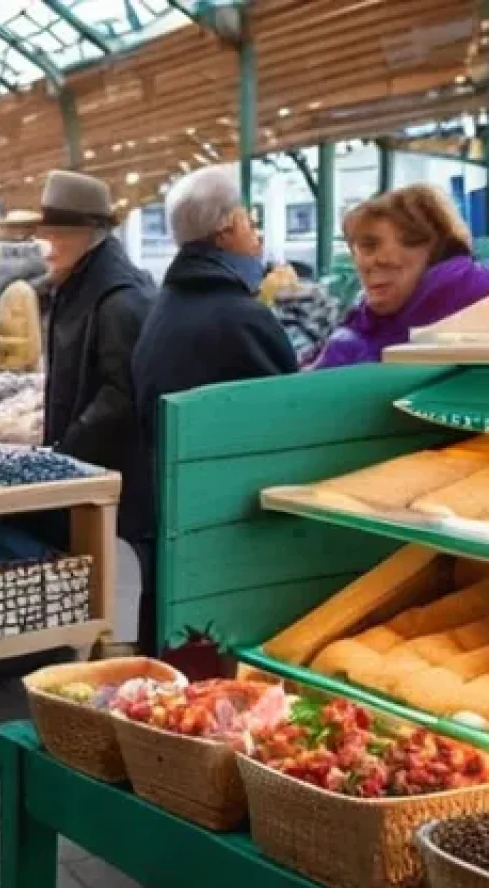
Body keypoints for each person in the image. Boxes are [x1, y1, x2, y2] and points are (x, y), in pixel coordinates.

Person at [132, 165, 297, 650]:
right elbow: (285, 425)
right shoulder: (241, 318)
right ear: (227, 229)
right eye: (249, 220)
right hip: (233, 536)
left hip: (173, 520)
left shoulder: (164, 308)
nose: (257, 234)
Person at [37, 169, 157, 544]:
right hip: (87, 472)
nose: (50, 247)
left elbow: (120, 394)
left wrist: (68, 449)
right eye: (48, 235)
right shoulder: (80, 283)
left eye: (60, 235)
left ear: (90, 234)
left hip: (110, 481)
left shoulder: (119, 298)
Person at [308, 184, 489, 368]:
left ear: (435, 249)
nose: (370, 262)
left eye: (371, 245)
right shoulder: (367, 323)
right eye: (364, 248)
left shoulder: (473, 306)